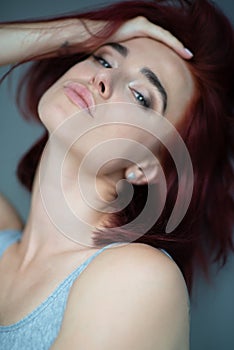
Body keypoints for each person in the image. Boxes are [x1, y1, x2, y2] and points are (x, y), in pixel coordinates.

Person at [0, 0, 233, 349]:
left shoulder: (138, 279)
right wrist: (85, 31)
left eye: (141, 96)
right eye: (103, 57)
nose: (103, 78)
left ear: (145, 167)